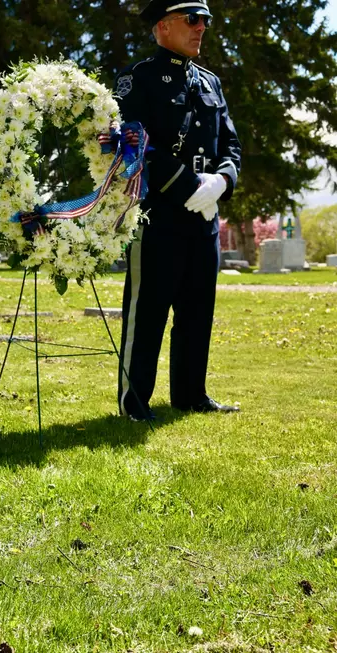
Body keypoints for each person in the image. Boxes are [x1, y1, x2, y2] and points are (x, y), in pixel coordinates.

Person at [114, 0, 242, 421]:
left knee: (197, 311)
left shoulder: (211, 83)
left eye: (205, 20)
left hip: (204, 217)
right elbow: (134, 144)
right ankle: (135, 402)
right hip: (159, 215)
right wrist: (190, 186)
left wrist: (221, 183)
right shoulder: (138, 80)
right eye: (192, 20)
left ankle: (191, 395)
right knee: (148, 312)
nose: (201, 27)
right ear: (163, 27)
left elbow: (231, 145)